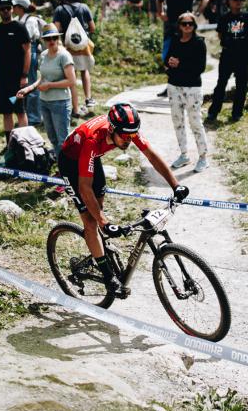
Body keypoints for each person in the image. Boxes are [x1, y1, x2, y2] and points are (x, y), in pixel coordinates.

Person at [58, 102, 189, 293]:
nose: (129, 140)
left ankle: (100, 247)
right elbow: (84, 188)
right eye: (125, 136)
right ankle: (108, 275)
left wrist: (176, 185)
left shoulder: (127, 130)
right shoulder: (92, 140)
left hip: (91, 159)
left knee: (99, 210)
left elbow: (151, 156)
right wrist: (103, 222)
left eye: (133, 135)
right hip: (71, 161)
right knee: (91, 220)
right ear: (112, 129)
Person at [17, 26, 75, 154]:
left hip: (60, 102)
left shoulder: (64, 56)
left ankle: (65, 171)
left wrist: (49, 85)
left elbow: (71, 81)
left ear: (58, 38)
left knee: (62, 140)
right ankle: (60, 164)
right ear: (43, 40)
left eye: (54, 37)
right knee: (52, 138)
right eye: (48, 38)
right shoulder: (43, 55)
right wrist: (29, 88)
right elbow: (42, 78)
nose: (51, 40)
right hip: (44, 101)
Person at [164, 12, 209, 172]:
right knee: (178, 122)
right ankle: (184, 154)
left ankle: (203, 157)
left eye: (190, 23)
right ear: (180, 25)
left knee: (195, 122)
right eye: (184, 23)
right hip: (174, 86)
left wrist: (179, 64)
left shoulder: (199, 43)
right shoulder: (175, 40)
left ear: (195, 25)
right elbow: (167, 59)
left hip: (192, 88)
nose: (187, 26)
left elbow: (200, 68)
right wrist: (169, 64)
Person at [0, 0, 30, 145]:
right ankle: (10, 144)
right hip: (2, 78)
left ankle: (25, 143)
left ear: (12, 9)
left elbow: (27, 52)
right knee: (6, 111)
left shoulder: (20, 28)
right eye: (2, 9)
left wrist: (24, 75)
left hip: (17, 78)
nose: (5, 11)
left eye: (8, 8)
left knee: (20, 111)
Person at [157, 0, 208, 97]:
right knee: (167, 55)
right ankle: (170, 84)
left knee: (187, 52)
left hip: (186, 25)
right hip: (170, 24)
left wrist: (197, 14)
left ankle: (184, 82)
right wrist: (160, 12)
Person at [207, 0, 248, 125]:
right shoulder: (224, 18)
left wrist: (241, 44)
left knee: (241, 84)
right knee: (221, 83)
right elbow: (220, 35)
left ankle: (237, 113)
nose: (238, 1)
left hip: (242, 54)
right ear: (229, 1)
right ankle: (213, 111)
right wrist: (231, 43)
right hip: (227, 54)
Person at [53, 0, 96, 118]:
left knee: (71, 76)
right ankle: (88, 98)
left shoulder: (60, 10)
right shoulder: (84, 7)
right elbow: (92, 27)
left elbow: (56, 29)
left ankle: (75, 108)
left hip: (67, 47)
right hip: (83, 46)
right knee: (85, 71)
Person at [13, 0, 46, 126]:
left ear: (20, 8)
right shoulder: (20, 19)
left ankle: (35, 117)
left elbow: (29, 37)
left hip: (30, 52)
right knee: (24, 85)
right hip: (22, 52)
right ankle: (27, 115)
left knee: (31, 84)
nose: (12, 8)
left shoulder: (30, 20)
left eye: (15, 6)